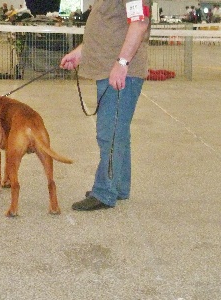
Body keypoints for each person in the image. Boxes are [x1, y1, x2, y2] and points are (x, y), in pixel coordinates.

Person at [60, 0, 151, 211]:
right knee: (118, 132)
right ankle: (118, 186)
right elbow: (109, 29)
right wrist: (80, 53)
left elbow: (139, 23)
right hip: (109, 69)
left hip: (121, 73)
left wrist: (122, 63)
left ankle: (104, 191)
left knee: (109, 133)